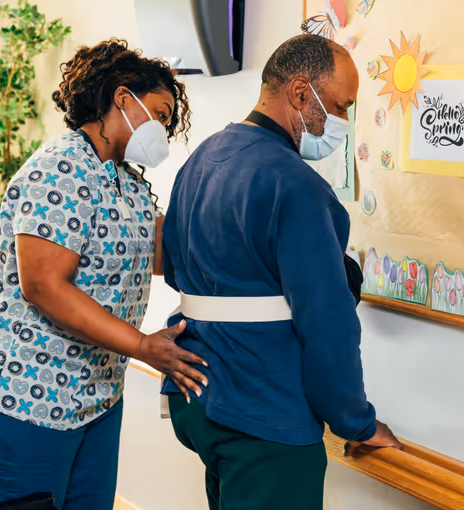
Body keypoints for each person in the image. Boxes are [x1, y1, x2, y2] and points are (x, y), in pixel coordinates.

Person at [0, 38, 208, 509]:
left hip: (90, 392)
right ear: (123, 97)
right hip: (15, 388)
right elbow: (43, 285)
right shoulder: (61, 168)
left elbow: (155, 254)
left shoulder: (123, 178)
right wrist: (143, 346)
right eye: (160, 115)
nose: (162, 129)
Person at [161, 34, 402, 510]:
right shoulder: (297, 187)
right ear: (299, 93)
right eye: (339, 105)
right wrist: (357, 422)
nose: (344, 123)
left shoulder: (202, 158)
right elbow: (328, 325)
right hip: (262, 414)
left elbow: (179, 269)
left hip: (199, 399)